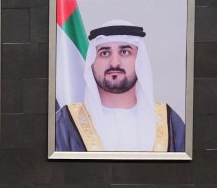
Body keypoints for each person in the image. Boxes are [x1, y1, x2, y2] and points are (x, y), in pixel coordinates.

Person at [56, 23, 187, 152]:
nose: (114, 63)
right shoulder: (65, 123)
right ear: (92, 62)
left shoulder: (169, 122)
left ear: (140, 61)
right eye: (104, 53)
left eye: (125, 52)